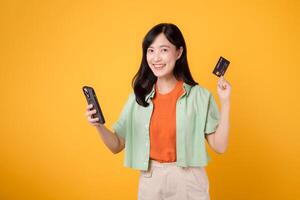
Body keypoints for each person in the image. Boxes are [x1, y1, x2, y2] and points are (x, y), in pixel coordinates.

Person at [85, 23, 231, 200]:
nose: (156, 58)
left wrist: (225, 101)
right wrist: (99, 126)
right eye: (150, 50)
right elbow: (116, 145)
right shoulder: (138, 97)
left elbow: (219, 146)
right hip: (151, 181)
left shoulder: (200, 96)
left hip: (189, 181)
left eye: (163, 50)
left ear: (178, 52)